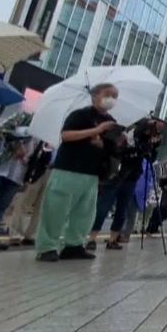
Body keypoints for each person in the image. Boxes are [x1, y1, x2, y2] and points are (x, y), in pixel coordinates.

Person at [35, 84, 120, 262]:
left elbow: (112, 149)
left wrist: (105, 143)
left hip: (92, 173)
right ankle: (47, 246)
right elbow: (66, 136)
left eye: (115, 96)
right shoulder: (80, 114)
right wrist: (96, 131)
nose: (111, 99)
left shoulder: (111, 122)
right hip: (68, 168)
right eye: (107, 94)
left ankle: (74, 245)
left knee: (84, 213)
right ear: (95, 96)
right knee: (56, 209)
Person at [6, 141, 54, 246]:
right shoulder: (44, 137)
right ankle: (15, 234)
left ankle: (32, 234)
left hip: (53, 171)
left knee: (42, 205)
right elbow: (35, 155)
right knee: (24, 202)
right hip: (38, 170)